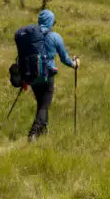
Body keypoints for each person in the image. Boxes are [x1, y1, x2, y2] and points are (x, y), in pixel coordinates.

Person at [28, 9, 78, 141]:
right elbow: (64, 58)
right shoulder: (55, 37)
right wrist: (74, 64)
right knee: (44, 106)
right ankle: (34, 133)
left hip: (32, 75)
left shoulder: (31, 35)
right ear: (50, 22)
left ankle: (43, 132)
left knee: (41, 104)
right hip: (47, 75)